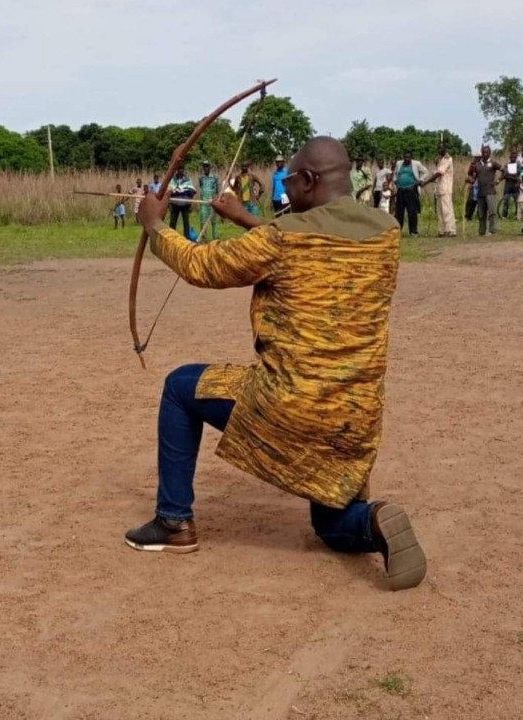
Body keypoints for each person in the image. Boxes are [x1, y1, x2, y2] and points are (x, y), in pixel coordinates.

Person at [125, 135, 427, 593]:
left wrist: (154, 226)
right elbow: (309, 247)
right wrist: (248, 220)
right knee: (331, 521)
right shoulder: (386, 232)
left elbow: (200, 266)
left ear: (307, 180)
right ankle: (375, 523)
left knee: (180, 387)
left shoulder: (281, 241)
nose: (283, 187)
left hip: (290, 403)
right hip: (355, 415)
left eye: (288, 180)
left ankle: (173, 522)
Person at [421, 144, 457, 237]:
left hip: (446, 188)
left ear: (445, 149)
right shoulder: (440, 159)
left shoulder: (447, 159)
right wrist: (425, 181)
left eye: (441, 148)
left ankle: (450, 230)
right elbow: (435, 174)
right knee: (440, 211)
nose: (439, 150)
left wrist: (426, 182)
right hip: (439, 189)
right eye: (438, 148)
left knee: (447, 210)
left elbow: (439, 173)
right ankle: (442, 230)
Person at [393, 152, 429, 236]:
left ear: (411, 158)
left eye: (408, 157)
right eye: (405, 157)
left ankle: (413, 231)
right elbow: (395, 174)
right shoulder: (399, 163)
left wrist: (420, 180)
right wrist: (395, 181)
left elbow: (426, 172)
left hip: (411, 191)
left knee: (412, 212)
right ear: (403, 157)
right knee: (399, 212)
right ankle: (398, 231)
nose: (407, 159)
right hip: (400, 190)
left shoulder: (416, 164)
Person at [476, 145, 502, 236]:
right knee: (481, 213)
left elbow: (504, 171)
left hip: (490, 191)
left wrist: (498, 180)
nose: (484, 154)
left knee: (492, 212)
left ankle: (492, 230)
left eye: (486, 152)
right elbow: (474, 177)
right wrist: (470, 181)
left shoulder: (493, 163)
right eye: (483, 152)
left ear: (490, 153)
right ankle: (482, 231)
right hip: (480, 192)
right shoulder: (478, 164)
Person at [168, 166, 196, 239]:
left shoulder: (187, 179)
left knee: (186, 222)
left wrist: (190, 203)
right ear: (177, 170)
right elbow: (169, 191)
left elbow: (191, 191)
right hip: (175, 203)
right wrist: (169, 204)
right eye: (179, 169)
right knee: (173, 221)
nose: (180, 170)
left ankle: (187, 236)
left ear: (183, 170)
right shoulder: (173, 180)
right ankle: (171, 236)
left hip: (185, 203)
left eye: (181, 169)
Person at [198, 161, 220, 241]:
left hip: (213, 203)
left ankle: (215, 239)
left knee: (214, 222)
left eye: (207, 166)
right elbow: (201, 187)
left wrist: (216, 201)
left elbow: (218, 190)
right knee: (203, 222)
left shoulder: (215, 177)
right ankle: (204, 239)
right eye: (204, 166)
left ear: (210, 167)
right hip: (204, 203)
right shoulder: (201, 178)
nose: (205, 168)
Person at [500, 151, 521, 218]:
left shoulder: (518, 165)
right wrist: (513, 176)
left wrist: (508, 174)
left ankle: (517, 215)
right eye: (512, 157)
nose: (513, 158)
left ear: (516, 158)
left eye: (514, 157)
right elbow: (503, 175)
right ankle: (504, 215)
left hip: (516, 185)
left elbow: (517, 175)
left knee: (517, 201)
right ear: (510, 157)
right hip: (508, 185)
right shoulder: (506, 165)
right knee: (505, 200)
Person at [465, 155, 480, 221]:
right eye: (476, 157)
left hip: (480, 185)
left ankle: (479, 216)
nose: (477, 158)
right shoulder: (472, 165)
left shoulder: (482, 165)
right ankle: (468, 216)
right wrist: (470, 180)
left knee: (480, 202)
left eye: (479, 157)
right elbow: (469, 174)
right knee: (470, 201)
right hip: (473, 185)